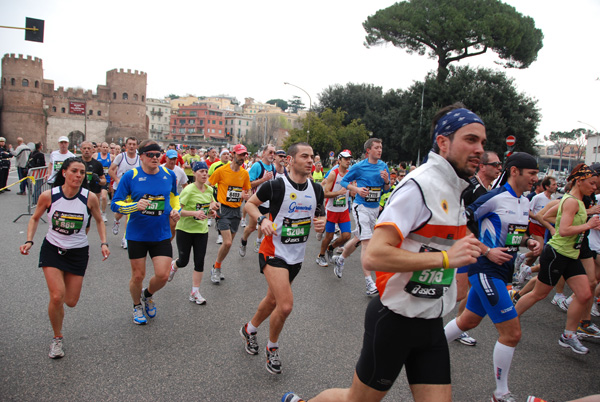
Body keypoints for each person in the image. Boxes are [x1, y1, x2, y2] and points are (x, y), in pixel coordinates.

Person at [282, 104, 484, 402]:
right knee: (356, 400)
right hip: (395, 318)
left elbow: (437, 240)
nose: (479, 149)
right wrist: (444, 259)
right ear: (443, 141)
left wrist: (482, 249)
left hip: (431, 321)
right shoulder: (420, 186)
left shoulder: (457, 189)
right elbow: (373, 256)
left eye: (482, 141)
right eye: (470, 139)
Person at [444, 152, 542, 402]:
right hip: (485, 269)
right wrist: (486, 250)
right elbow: (458, 221)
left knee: (468, 321)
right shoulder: (494, 198)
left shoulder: (524, 201)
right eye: (532, 173)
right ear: (515, 171)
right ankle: (501, 393)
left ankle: (424, 348)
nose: (535, 178)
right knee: (512, 333)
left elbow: (513, 235)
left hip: (503, 270)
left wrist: (528, 240)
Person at [240, 142, 325, 375]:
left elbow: (320, 216)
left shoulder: (317, 189)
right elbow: (250, 204)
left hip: (296, 257)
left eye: (312, 157)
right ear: (290, 160)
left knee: (272, 300)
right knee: (285, 305)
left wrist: (322, 223)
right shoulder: (276, 186)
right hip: (273, 252)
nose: (310, 161)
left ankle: (249, 329)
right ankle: (272, 347)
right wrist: (262, 220)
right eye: (305, 156)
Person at [19, 157, 110, 358]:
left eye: (82, 172)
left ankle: (59, 321)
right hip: (52, 248)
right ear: (64, 173)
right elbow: (34, 218)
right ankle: (57, 338)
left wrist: (104, 243)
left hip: (77, 252)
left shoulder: (89, 198)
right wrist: (29, 240)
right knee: (57, 296)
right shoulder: (49, 196)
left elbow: (99, 221)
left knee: (70, 301)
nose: (78, 175)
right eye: (74, 171)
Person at [515, 164, 600, 354]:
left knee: (585, 293)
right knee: (539, 293)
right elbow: (564, 230)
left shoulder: (578, 202)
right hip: (558, 253)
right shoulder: (571, 202)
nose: (594, 188)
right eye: (592, 183)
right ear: (580, 181)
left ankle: (568, 335)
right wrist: (588, 224)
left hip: (571, 255)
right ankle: (510, 319)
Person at [111, 140, 180, 325]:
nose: (155, 158)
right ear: (141, 156)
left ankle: (147, 294)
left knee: (163, 275)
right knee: (138, 276)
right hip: (137, 235)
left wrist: (176, 210)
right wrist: (134, 206)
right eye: (150, 154)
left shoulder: (169, 175)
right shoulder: (130, 176)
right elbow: (115, 204)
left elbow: (174, 198)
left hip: (161, 233)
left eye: (158, 154)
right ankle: (136, 305)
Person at [453, 150, 502, 347]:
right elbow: (459, 221)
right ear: (482, 166)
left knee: (469, 290)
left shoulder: (491, 191)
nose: (500, 168)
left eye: (500, 165)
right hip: (464, 245)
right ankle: (421, 320)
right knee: (457, 293)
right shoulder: (470, 189)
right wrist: (482, 248)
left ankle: (457, 327)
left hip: (478, 248)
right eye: (496, 164)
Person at [332, 138, 391, 296]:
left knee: (359, 237)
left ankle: (341, 258)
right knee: (367, 241)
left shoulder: (384, 166)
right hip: (361, 207)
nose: (380, 150)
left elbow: (386, 189)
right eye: (376, 148)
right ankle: (369, 283)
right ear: (368, 151)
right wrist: (356, 190)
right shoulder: (359, 167)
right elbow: (345, 182)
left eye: (381, 147)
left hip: (374, 209)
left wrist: (386, 181)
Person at [168, 161, 218, 305]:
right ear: (194, 173)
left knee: (200, 261)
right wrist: (194, 213)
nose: (204, 174)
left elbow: (207, 210)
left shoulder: (209, 190)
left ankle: (195, 292)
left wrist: (211, 213)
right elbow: (177, 211)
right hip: (185, 230)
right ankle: (174, 266)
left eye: (205, 171)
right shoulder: (189, 190)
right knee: (183, 261)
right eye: (201, 171)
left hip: (201, 231)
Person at [208, 143, 251, 284]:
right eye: (240, 154)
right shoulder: (221, 170)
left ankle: (216, 266)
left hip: (236, 211)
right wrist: (211, 202)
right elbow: (208, 185)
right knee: (226, 242)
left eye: (244, 155)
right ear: (233, 154)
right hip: (223, 209)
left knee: (229, 244)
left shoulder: (244, 173)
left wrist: (246, 196)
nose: (243, 157)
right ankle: (217, 269)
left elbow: (248, 191)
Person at [316, 150, 352, 268]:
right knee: (329, 236)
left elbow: (352, 191)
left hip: (344, 210)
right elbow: (325, 193)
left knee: (347, 236)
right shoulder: (333, 173)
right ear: (339, 160)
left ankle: (330, 248)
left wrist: (355, 191)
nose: (348, 161)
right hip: (332, 210)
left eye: (349, 159)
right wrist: (338, 193)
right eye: (345, 159)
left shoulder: (350, 174)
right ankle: (321, 256)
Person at [239, 144, 276, 256]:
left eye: (274, 152)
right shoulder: (257, 166)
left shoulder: (273, 167)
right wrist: (263, 179)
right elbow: (248, 184)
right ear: (263, 153)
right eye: (270, 152)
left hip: (269, 203)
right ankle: (243, 241)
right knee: (251, 227)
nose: (272, 155)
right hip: (256, 202)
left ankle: (263, 247)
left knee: (269, 226)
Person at [107, 137, 139, 248]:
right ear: (125, 146)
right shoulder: (121, 157)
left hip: (134, 191)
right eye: (129, 144)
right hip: (121, 189)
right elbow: (110, 170)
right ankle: (116, 220)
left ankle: (125, 238)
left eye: (133, 144)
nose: (131, 146)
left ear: (136, 146)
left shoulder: (139, 159)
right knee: (120, 213)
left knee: (129, 213)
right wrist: (117, 180)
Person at [79, 141, 107, 209]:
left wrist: (98, 179)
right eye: (84, 148)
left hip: (92, 194)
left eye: (89, 148)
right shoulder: (76, 162)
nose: (86, 150)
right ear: (81, 149)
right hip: (78, 193)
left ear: (93, 150)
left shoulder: (97, 164)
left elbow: (104, 181)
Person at [93, 142, 113, 222]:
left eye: (106, 147)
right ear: (100, 148)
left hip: (106, 179)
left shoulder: (111, 157)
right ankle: (98, 211)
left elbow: (115, 166)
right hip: (97, 179)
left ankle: (104, 213)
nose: (105, 149)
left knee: (104, 197)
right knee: (96, 198)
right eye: (103, 147)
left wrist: (112, 174)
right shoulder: (95, 156)